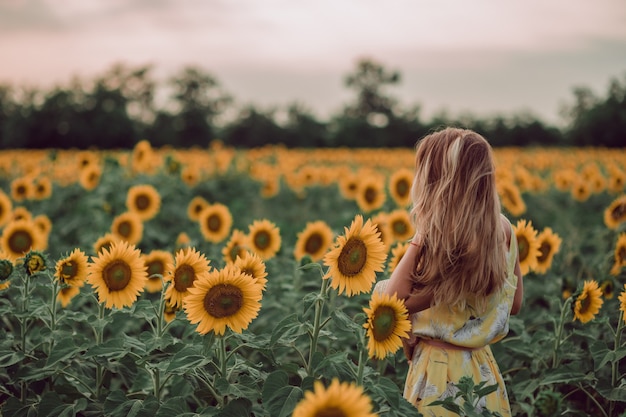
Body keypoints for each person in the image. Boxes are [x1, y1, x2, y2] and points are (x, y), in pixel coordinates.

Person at [377, 127, 523, 416]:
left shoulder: (441, 240)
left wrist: (421, 235)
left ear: (438, 184)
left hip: (437, 375)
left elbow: (392, 301)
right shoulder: (504, 229)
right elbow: (515, 305)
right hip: (482, 373)